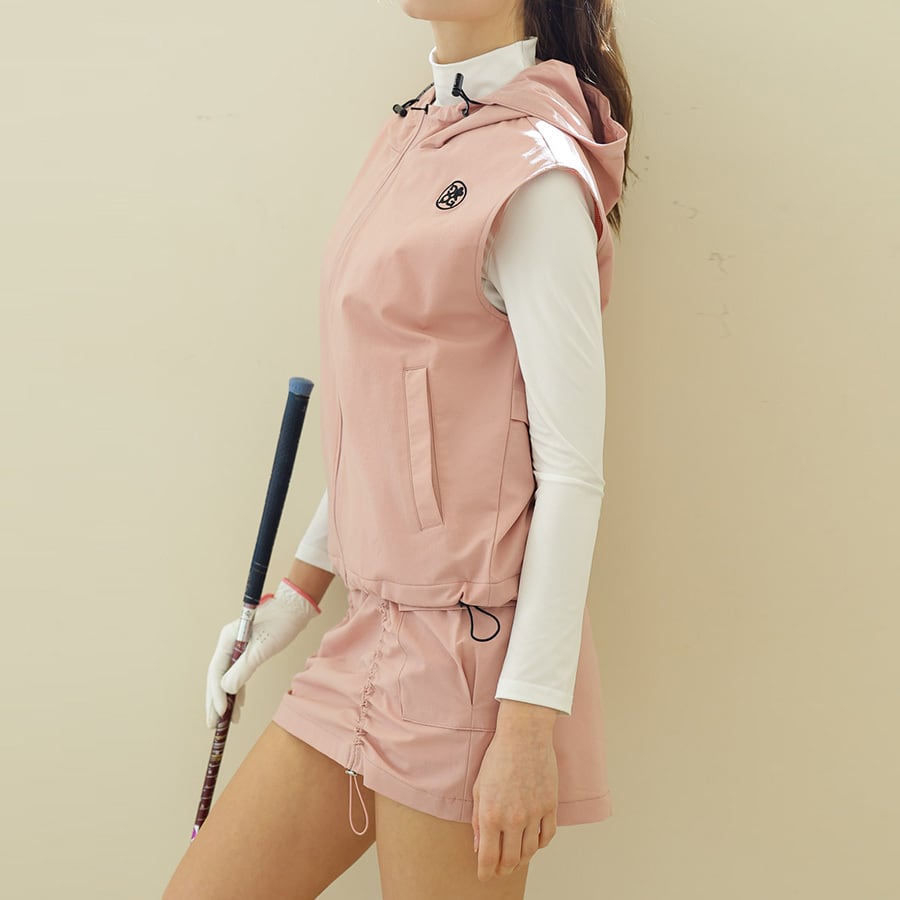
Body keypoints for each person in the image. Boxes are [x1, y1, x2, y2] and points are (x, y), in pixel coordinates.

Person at [163, 2, 632, 898]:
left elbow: (573, 473)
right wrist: (296, 596)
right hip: (367, 634)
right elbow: (392, 419)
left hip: (465, 666)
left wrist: (528, 725)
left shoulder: (535, 171)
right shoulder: (409, 138)